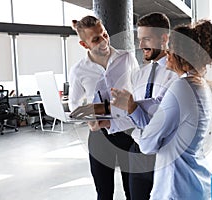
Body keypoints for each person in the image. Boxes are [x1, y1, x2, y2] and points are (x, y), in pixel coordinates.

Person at [111, 19, 212, 199]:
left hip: (176, 186)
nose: (166, 54)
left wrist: (133, 117)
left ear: (181, 55)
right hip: (190, 183)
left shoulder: (182, 88)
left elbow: (147, 144)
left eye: (170, 50)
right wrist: (133, 107)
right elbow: (158, 112)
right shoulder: (197, 85)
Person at [68, 15, 139, 200]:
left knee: (133, 191)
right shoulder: (79, 70)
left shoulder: (127, 58)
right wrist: (89, 120)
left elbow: (139, 91)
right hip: (99, 136)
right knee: (104, 193)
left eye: (105, 35)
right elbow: (74, 104)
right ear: (84, 45)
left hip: (128, 132)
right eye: (96, 39)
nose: (104, 41)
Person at [113, 12, 177, 200]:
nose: (140, 46)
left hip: (164, 154)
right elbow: (134, 116)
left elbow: (159, 121)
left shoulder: (176, 75)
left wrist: (132, 106)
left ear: (164, 38)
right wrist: (109, 123)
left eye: (146, 39)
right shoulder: (140, 75)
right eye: (139, 40)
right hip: (138, 150)